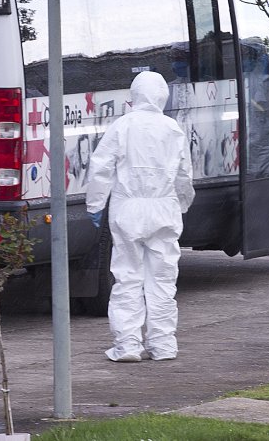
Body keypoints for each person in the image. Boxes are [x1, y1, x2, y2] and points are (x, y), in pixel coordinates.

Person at [86, 71, 195, 363]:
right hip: (164, 207)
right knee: (162, 279)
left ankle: (127, 345)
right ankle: (163, 345)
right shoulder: (172, 128)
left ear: (133, 96)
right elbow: (184, 173)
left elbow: (101, 168)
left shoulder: (122, 126)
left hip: (128, 209)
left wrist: (95, 205)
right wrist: (183, 203)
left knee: (127, 278)